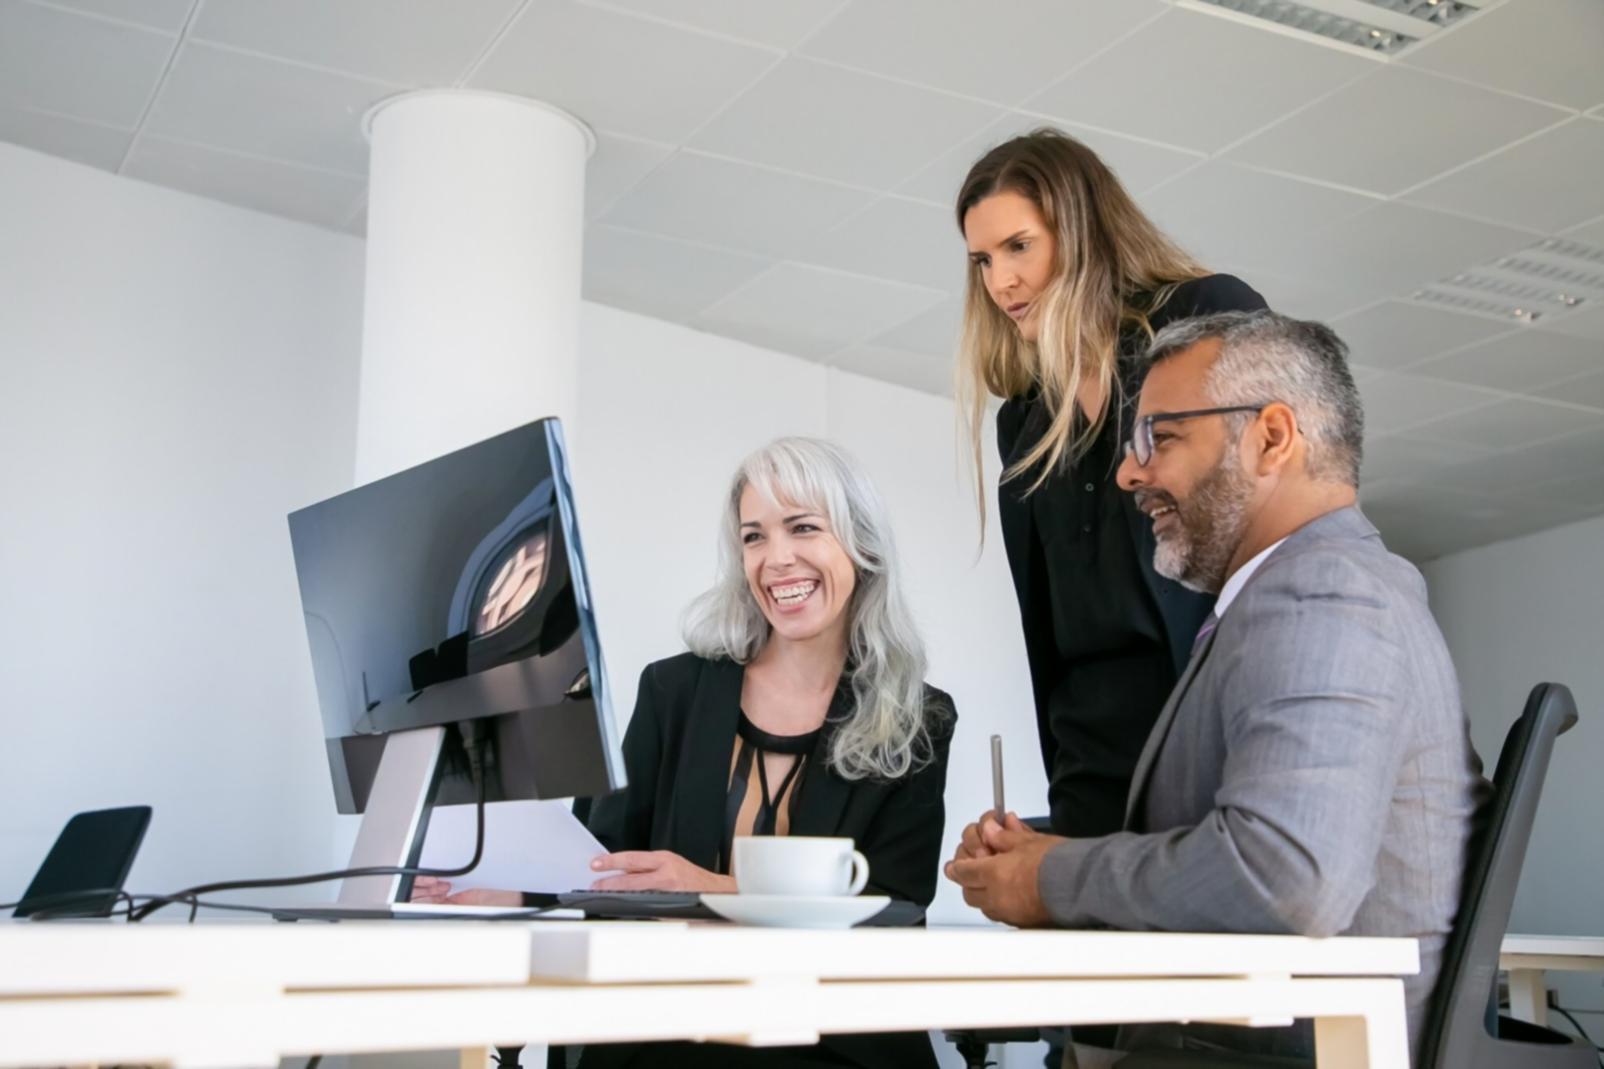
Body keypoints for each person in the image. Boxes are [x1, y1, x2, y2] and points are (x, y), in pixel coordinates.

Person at [945, 311, 1489, 1064]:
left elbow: (1285, 878)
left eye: (1160, 439)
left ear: (1271, 437)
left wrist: (1053, 877)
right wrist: (1053, 860)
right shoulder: (1294, 598)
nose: (1130, 473)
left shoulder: (1325, 594)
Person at [426, 437, 956, 1069]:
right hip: (672, 1031)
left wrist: (710, 892)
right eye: (754, 536)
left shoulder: (918, 718)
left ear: (860, 545)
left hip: (826, 1039)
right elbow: (602, 863)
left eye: (804, 528)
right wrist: (521, 894)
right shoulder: (673, 690)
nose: (776, 559)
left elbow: (894, 916)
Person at [956, 127, 1268, 842]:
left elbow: (1284, 520)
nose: (999, 282)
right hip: (1090, 775)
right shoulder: (1025, 422)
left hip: (1214, 750)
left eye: (1018, 247)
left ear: (1082, 230)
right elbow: (1056, 640)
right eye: (981, 260)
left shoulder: (1202, 317)